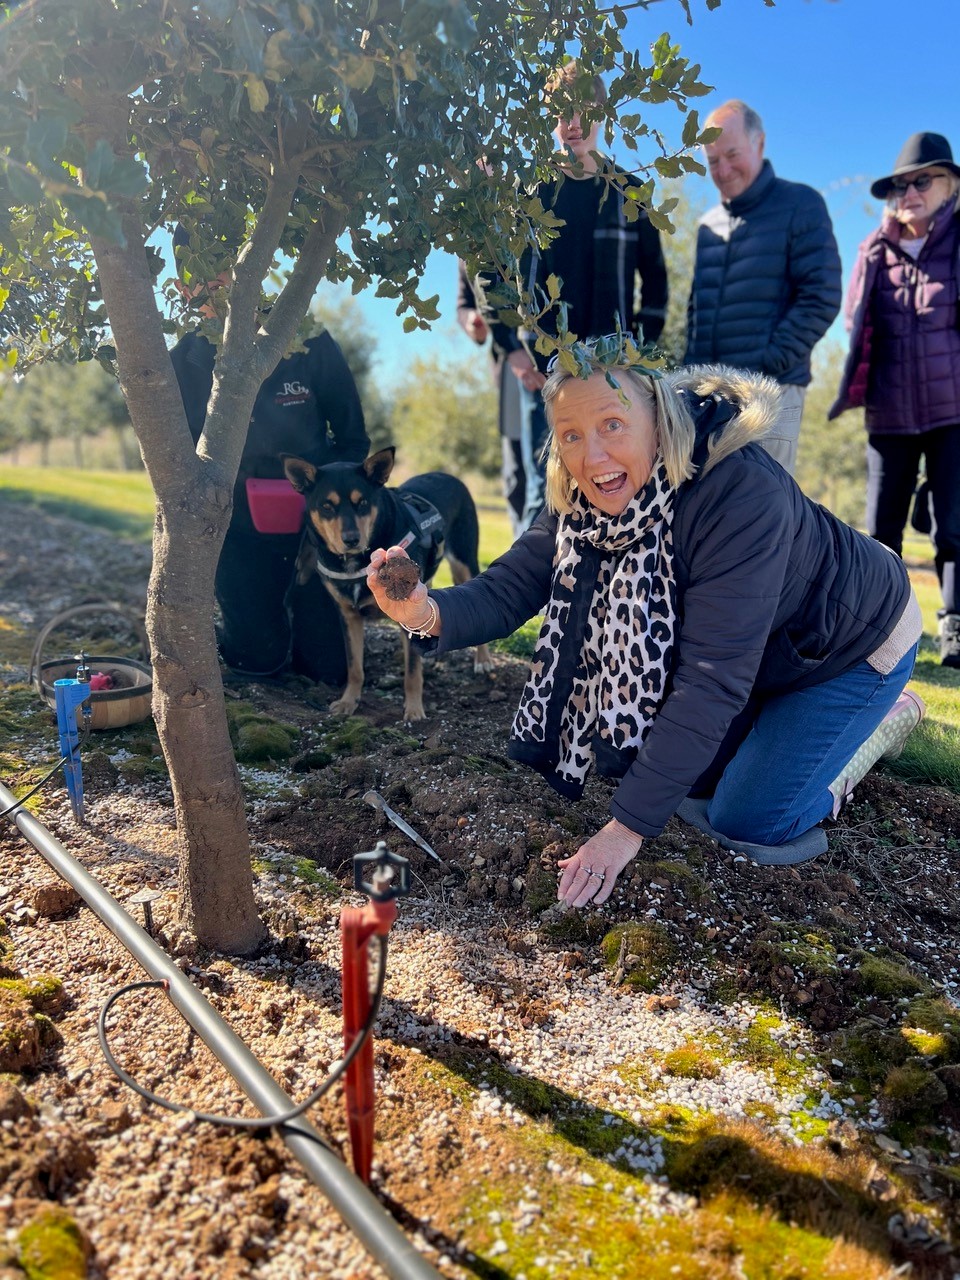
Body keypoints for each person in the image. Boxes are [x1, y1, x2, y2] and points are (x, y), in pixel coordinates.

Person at [366, 349, 923, 908]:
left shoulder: (741, 494)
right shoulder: (581, 495)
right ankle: (795, 738)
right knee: (688, 782)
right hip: (765, 653)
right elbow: (510, 587)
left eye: (613, 424)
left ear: (657, 418)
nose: (594, 455)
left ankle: (876, 725)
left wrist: (623, 831)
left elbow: (710, 681)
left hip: (852, 646)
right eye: (571, 434)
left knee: (747, 818)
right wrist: (423, 612)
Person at [170, 232, 369, 683]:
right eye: (203, 278)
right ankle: (251, 631)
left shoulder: (309, 342)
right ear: (185, 288)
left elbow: (354, 441)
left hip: (315, 527)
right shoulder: (184, 361)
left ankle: (312, 619)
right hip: (234, 525)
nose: (220, 286)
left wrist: (326, 511)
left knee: (328, 672)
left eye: (228, 271)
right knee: (256, 661)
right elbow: (175, 464)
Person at [479, 61, 668, 533]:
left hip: (613, 374)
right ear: (549, 117)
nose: (573, 121)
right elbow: (491, 272)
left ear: (602, 109)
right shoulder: (528, 193)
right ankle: (528, 606)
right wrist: (510, 351)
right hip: (541, 371)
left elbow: (658, 288)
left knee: (618, 491)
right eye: (562, 111)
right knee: (543, 501)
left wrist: (635, 360)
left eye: (584, 107)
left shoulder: (630, 191)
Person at [830, 132, 960, 668]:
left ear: (949, 185)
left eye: (921, 181)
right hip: (889, 410)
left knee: (953, 526)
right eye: (900, 185)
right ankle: (881, 634)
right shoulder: (874, 248)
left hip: (953, 410)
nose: (908, 192)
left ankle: (954, 632)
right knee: (881, 529)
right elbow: (852, 318)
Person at [685, 101, 841, 475]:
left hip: (770, 394)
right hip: (707, 398)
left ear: (760, 143)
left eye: (732, 154)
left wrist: (770, 365)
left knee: (762, 509)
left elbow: (821, 295)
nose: (722, 169)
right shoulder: (709, 226)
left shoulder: (801, 204)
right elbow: (696, 310)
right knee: (702, 509)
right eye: (712, 161)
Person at [456, 260, 525, 537]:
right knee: (517, 476)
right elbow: (463, 305)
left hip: (558, 361)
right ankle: (525, 556)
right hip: (510, 371)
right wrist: (473, 321)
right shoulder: (470, 244)